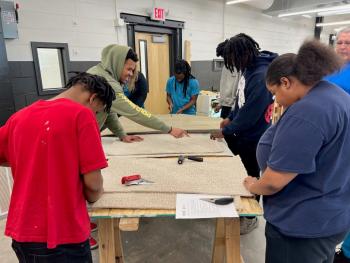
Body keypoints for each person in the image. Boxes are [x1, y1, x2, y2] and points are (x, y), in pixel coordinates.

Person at [243, 40, 350, 263]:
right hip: (330, 216)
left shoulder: (308, 112)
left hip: (300, 227)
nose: (276, 100)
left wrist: (253, 186)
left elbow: (274, 181)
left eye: (274, 93)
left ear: (286, 82)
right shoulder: (335, 95)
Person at [0, 73, 116, 262]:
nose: (95, 116)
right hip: (61, 237)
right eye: (97, 111)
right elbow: (93, 186)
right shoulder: (81, 115)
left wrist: (31, 160)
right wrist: (98, 193)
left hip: (22, 233)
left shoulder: (19, 117)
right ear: (93, 98)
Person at [210, 33, 276, 234]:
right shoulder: (249, 69)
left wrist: (227, 129)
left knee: (252, 175)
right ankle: (241, 206)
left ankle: (250, 216)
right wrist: (230, 117)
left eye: (233, 61)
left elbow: (251, 113)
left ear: (243, 55)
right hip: (245, 133)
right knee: (242, 173)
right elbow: (242, 100)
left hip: (255, 137)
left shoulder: (260, 75)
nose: (233, 66)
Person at [87, 44, 187, 142]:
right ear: (117, 63)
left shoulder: (97, 71)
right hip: (77, 138)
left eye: (133, 70)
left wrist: (122, 135)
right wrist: (170, 129)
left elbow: (109, 111)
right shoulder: (107, 83)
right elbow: (135, 112)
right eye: (129, 69)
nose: (131, 74)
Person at [325, 27, 350, 263]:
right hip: (326, 138)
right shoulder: (329, 69)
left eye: (348, 43)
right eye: (340, 42)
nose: (342, 46)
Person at [215, 39, 241, 119]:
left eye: (226, 57)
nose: (225, 59)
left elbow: (239, 91)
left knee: (231, 130)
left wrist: (234, 108)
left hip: (234, 108)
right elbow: (223, 86)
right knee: (222, 128)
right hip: (225, 106)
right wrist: (220, 103)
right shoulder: (226, 67)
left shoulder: (240, 68)